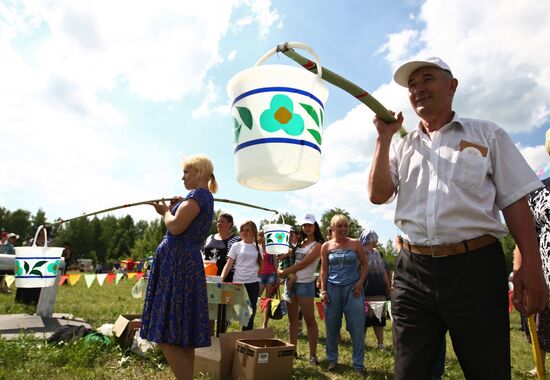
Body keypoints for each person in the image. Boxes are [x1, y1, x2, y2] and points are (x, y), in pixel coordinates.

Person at [368, 56, 548, 379]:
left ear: (452, 86)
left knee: (487, 371)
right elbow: (378, 194)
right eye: (412, 85)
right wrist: (384, 138)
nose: (418, 89)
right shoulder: (403, 145)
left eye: (427, 79)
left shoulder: (487, 134)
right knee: (410, 373)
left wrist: (531, 265)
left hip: (475, 270)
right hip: (413, 271)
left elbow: (516, 202)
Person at [140, 154, 217, 380]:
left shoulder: (196, 195)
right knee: (183, 333)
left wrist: (165, 212)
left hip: (177, 262)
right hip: (187, 260)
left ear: (199, 172)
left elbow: (175, 227)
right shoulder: (204, 197)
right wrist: (176, 207)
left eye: (186, 172)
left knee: (163, 332)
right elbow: (184, 222)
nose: (182, 177)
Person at [514, 128, 550, 378]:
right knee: (545, 330)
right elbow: (525, 234)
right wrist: (520, 272)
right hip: (546, 275)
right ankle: (541, 365)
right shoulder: (539, 186)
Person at [319, 214, 368, 374]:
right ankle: (332, 360)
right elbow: (324, 270)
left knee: (357, 328)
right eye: (339, 226)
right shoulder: (326, 246)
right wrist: (323, 290)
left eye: (345, 226)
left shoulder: (355, 244)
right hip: (332, 290)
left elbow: (364, 265)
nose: (343, 229)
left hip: (353, 290)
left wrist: (360, 283)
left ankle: (358, 364)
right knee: (332, 326)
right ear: (332, 228)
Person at [278, 213, 324, 364]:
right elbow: (286, 257)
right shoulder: (299, 242)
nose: (307, 228)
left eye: (310, 225)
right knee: (293, 321)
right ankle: (292, 350)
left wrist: (286, 272)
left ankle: (312, 355)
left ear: (315, 226)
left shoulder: (318, 245)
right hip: (291, 284)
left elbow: (304, 263)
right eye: (304, 225)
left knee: (310, 320)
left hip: (305, 285)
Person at [220, 220, 262, 331]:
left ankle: (245, 341)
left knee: (249, 315)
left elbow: (260, 267)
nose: (245, 232)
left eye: (247, 230)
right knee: (230, 312)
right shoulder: (236, 246)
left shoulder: (259, 248)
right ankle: (222, 337)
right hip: (237, 284)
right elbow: (228, 265)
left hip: (253, 285)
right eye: (242, 230)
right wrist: (220, 279)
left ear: (254, 232)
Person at [360, 229, 390, 350]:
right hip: (366, 290)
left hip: (379, 290)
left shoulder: (377, 252)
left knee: (379, 318)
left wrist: (387, 285)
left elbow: (383, 270)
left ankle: (380, 344)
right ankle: (361, 343)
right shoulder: (361, 252)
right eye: (374, 238)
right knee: (364, 320)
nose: (377, 241)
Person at [202, 213, 240, 281]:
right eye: (218, 221)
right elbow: (203, 254)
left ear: (230, 224)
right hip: (207, 277)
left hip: (227, 279)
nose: (219, 223)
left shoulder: (237, 240)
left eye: (222, 221)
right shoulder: (210, 237)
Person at [258, 229, 279, 328]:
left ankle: (264, 323)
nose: (261, 238)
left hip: (270, 274)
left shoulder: (271, 249)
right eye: (259, 236)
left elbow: (275, 263)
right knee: (256, 297)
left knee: (268, 299)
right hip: (260, 275)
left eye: (262, 236)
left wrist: (277, 277)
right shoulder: (257, 248)